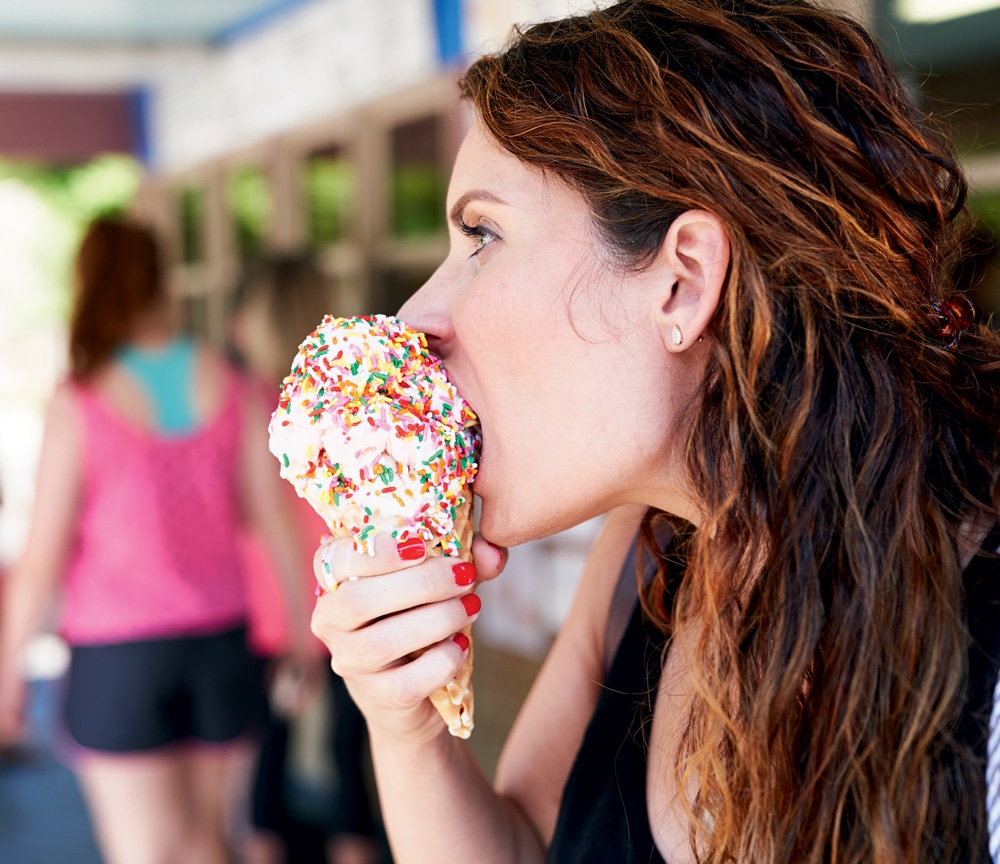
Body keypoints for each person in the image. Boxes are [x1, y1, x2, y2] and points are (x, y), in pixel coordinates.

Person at [308, 1, 1000, 862]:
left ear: (682, 282)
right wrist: (404, 721)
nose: (415, 317)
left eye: (482, 234)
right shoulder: (643, 551)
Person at [0, 216, 312, 864]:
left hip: (119, 659)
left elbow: (42, 559)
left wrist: (7, 675)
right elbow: (274, 523)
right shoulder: (231, 385)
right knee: (208, 848)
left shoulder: (80, 401)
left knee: (144, 853)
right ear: (163, 281)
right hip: (223, 646)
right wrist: (303, 637)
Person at [229, 253, 381, 864]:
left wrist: (295, 634)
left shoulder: (251, 401)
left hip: (275, 615)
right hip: (350, 596)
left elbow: (262, 525)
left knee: (266, 774)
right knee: (351, 767)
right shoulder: (343, 398)